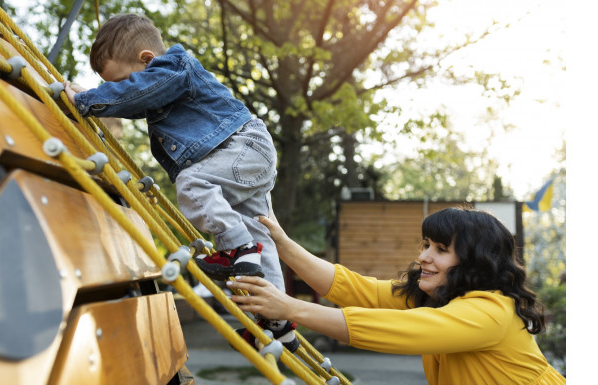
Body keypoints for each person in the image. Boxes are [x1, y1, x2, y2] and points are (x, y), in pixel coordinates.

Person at [63, 13, 298, 351]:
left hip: (242, 148)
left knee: (190, 182)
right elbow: (131, 97)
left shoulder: (174, 66)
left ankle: (237, 248)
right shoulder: (159, 79)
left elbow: (136, 92)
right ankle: (278, 322)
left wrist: (86, 101)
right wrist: (92, 97)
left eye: (121, 81)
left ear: (147, 59)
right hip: (244, 160)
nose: (121, 90)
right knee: (261, 233)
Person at [228, 207, 566, 384]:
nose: (424, 257)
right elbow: (357, 289)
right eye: (426, 245)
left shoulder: (491, 311)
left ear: (473, 262)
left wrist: (289, 307)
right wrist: (282, 243)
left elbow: (395, 330)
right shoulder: (439, 296)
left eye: (441, 250)